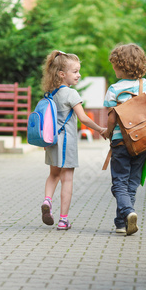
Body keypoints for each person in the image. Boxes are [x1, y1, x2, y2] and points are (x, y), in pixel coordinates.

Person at [40, 50, 106, 230]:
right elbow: (83, 118)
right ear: (62, 74)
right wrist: (100, 129)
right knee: (67, 180)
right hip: (67, 144)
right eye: (75, 71)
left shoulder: (50, 94)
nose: (79, 75)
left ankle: (47, 200)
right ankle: (63, 220)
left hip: (52, 142)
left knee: (53, 175)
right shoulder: (71, 94)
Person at [103, 44, 146, 236]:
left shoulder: (114, 89)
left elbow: (111, 117)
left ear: (122, 66)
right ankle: (121, 223)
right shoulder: (145, 85)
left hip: (120, 141)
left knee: (119, 183)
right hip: (142, 140)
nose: (113, 69)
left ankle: (128, 212)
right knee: (131, 183)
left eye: (115, 65)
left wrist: (108, 133)